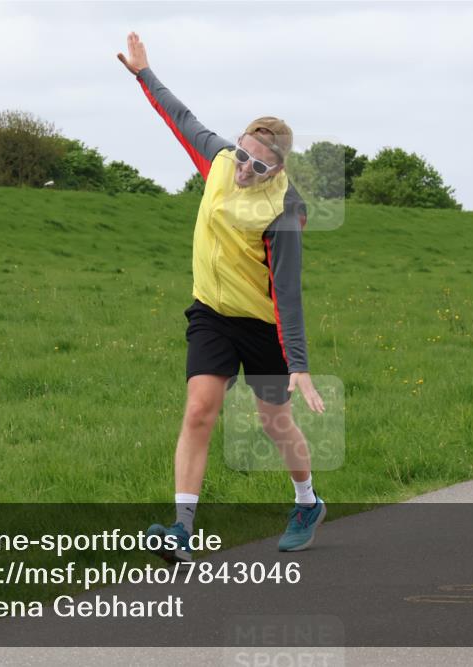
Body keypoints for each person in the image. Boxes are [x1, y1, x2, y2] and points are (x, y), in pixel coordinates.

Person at [117, 33, 326, 562]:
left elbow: (288, 294)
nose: (242, 169)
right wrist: (145, 73)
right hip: (211, 312)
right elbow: (180, 116)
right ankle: (182, 529)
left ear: (278, 169)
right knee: (199, 410)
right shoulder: (218, 161)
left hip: (261, 324)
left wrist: (297, 363)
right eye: (241, 155)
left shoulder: (286, 212)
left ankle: (307, 501)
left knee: (273, 421)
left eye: (257, 166)